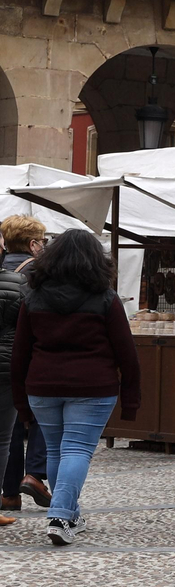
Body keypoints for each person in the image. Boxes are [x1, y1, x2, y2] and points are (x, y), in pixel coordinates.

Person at [10, 229, 142, 546]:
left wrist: (21, 402)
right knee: (77, 450)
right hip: (93, 386)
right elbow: (127, 352)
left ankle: (69, 513)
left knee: (56, 450)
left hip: (42, 386)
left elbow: (20, 353)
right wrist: (131, 400)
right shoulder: (106, 299)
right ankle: (58, 515)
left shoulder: (34, 298)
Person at [0, 214, 46, 527]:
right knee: (34, 416)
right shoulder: (39, 274)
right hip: (21, 362)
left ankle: (9, 492)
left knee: (9, 432)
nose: (44, 247)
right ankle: (35, 474)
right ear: (32, 244)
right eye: (42, 242)